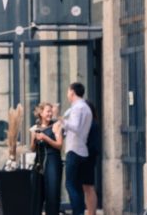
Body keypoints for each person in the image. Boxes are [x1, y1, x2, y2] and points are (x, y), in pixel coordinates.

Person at [55, 82, 92, 215]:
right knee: (77, 185)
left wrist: (59, 118)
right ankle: (80, 212)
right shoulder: (85, 107)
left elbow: (75, 127)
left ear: (72, 92)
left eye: (68, 91)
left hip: (74, 150)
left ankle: (78, 212)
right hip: (82, 150)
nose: (67, 94)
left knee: (70, 184)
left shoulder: (78, 108)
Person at [30, 102, 63, 215]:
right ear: (41, 113)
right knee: (37, 195)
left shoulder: (56, 125)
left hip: (53, 161)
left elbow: (59, 145)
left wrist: (45, 138)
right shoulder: (35, 128)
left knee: (52, 195)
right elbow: (32, 149)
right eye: (47, 111)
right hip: (39, 163)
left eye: (51, 111)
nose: (50, 113)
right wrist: (34, 138)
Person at [83, 101, 100, 215]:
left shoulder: (91, 124)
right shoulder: (91, 123)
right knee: (87, 187)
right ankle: (90, 212)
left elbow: (92, 144)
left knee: (88, 187)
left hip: (88, 157)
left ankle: (91, 212)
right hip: (89, 156)